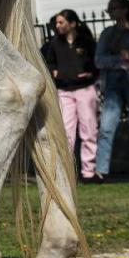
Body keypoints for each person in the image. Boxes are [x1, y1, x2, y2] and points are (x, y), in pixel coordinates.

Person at [41, 9, 100, 181]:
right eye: (57, 23)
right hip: (64, 91)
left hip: (85, 90)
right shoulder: (54, 43)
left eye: (61, 22)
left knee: (88, 130)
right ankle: (67, 172)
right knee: (66, 132)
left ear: (72, 23)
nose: (57, 26)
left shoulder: (87, 42)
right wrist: (54, 72)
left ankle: (88, 172)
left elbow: (96, 63)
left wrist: (90, 73)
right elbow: (49, 62)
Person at [95, 0, 129, 181]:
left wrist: (128, 59)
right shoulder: (107, 33)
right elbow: (99, 60)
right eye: (109, 10)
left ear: (124, 10)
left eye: (113, 8)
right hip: (112, 84)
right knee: (106, 127)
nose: (110, 13)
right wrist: (121, 59)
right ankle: (101, 171)